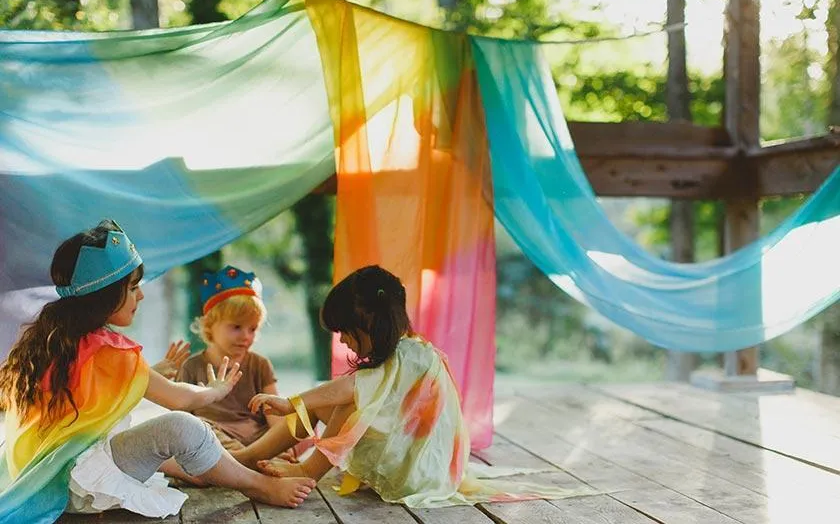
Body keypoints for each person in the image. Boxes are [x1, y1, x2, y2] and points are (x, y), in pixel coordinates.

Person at [0, 220, 315, 523]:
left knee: (138, 433)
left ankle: (205, 468)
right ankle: (258, 485)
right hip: (82, 484)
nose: (141, 295)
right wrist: (215, 391)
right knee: (183, 427)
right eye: (133, 287)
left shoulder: (44, 338)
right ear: (106, 294)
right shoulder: (111, 350)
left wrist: (151, 374)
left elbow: (90, 397)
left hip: (45, 481)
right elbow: (180, 400)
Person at [233, 265, 589, 508]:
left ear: (371, 321)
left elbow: (349, 391)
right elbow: (351, 391)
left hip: (415, 471)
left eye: (345, 330)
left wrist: (289, 402)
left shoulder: (414, 355)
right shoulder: (404, 354)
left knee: (340, 402)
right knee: (331, 401)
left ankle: (302, 469)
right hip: (403, 454)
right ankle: (249, 457)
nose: (343, 341)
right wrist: (297, 403)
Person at [175, 266, 304, 459]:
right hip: (215, 437)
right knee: (200, 428)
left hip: (257, 436)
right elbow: (180, 418)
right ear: (209, 324)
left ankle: (248, 460)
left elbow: (274, 417)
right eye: (236, 327)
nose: (246, 336)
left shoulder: (260, 364)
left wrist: (282, 443)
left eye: (252, 329)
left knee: (304, 422)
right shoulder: (191, 366)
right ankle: (247, 459)